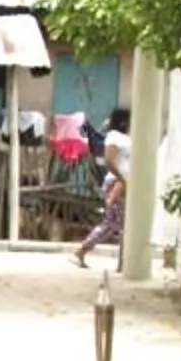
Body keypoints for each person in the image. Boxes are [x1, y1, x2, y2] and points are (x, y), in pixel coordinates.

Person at [72, 102, 133, 269]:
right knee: (114, 223)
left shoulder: (126, 138)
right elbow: (109, 160)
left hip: (123, 181)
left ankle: (120, 261)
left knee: (117, 223)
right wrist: (122, 178)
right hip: (118, 182)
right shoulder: (114, 136)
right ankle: (82, 250)